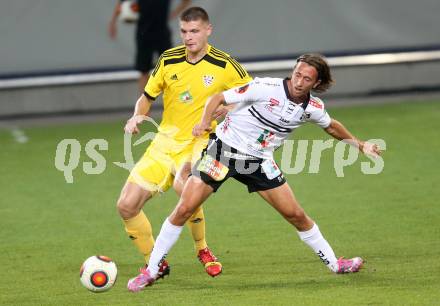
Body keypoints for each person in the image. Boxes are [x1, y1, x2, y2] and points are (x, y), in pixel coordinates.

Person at [127, 53, 382, 292]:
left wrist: (360, 145)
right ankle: (151, 271)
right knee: (184, 208)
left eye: (307, 79)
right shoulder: (265, 88)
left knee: (296, 214)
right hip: (223, 152)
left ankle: (336, 265)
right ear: (292, 71)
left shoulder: (312, 107)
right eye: (297, 74)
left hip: (258, 162)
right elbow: (217, 99)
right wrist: (205, 122)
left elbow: (332, 126)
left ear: (317, 82)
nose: (299, 81)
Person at [119, 6, 253, 288]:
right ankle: (155, 261)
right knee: (126, 206)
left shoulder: (225, 65)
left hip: (201, 140)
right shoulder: (169, 59)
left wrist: (225, 109)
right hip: (165, 141)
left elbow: (252, 97)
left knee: (185, 187)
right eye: (183, 31)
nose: (188, 37)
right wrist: (136, 116)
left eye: (194, 31)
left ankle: (202, 248)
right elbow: (147, 96)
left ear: (208, 30)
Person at [108, 0, 192, 92]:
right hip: (144, 33)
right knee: (144, 70)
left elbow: (186, 1)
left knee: (170, 69)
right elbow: (121, 3)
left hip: (162, 33)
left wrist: (175, 13)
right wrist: (113, 22)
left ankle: (174, 102)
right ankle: (144, 104)